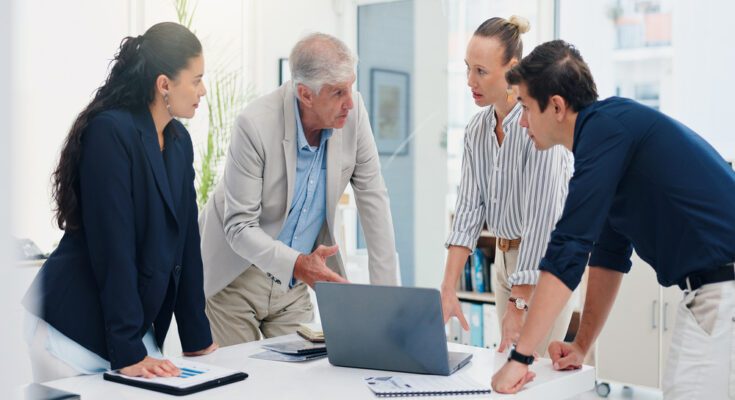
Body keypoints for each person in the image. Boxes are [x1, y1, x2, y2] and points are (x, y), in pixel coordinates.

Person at [491, 40, 735, 398]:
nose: (523, 121)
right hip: (717, 288)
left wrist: (520, 358)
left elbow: (569, 247)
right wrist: (581, 345)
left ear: (556, 106)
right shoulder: (609, 135)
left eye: (526, 107)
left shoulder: (604, 130)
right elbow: (608, 253)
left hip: (722, 289)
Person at [22, 22, 218, 382]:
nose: (202, 90)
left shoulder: (179, 142)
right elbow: (113, 246)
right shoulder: (110, 132)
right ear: (164, 84)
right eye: (196, 80)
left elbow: (187, 243)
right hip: (73, 325)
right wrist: (128, 352)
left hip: (125, 327)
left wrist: (197, 339)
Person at [199, 32, 398, 346]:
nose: (349, 102)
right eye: (338, 92)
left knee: (308, 371)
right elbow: (239, 226)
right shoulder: (254, 124)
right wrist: (298, 265)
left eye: (351, 87)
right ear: (305, 94)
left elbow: (374, 200)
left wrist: (388, 302)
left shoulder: (354, 113)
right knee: (240, 374)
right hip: (237, 278)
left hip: (293, 287)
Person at [441, 16, 574, 357]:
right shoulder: (476, 130)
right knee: (508, 367)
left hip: (544, 263)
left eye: (481, 71)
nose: (470, 80)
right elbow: (468, 211)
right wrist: (448, 287)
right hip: (502, 261)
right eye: (467, 68)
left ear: (513, 70)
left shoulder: (539, 127)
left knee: (531, 371)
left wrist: (519, 303)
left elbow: (542, 223)